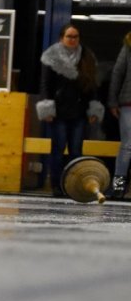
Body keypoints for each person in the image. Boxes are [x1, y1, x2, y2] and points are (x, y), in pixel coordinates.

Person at [36, 23, 104, 195]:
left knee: (76, 151)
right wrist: (47, 108)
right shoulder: (50, 56)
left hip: (79, 111)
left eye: (76, 36)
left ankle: (72, 186)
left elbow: (92, 86)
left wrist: (93, 109)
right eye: (69, 36)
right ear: (62, 38)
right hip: (58, 112)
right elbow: (45, 84)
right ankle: (56, 186)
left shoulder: (86, 57)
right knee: (57, 150)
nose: (73, 40)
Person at [107, 31, 131, 199]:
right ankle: (118, 188)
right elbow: (117, 72)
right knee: (127, 147)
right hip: (128, 102)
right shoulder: (128, 45)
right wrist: (113, 101)